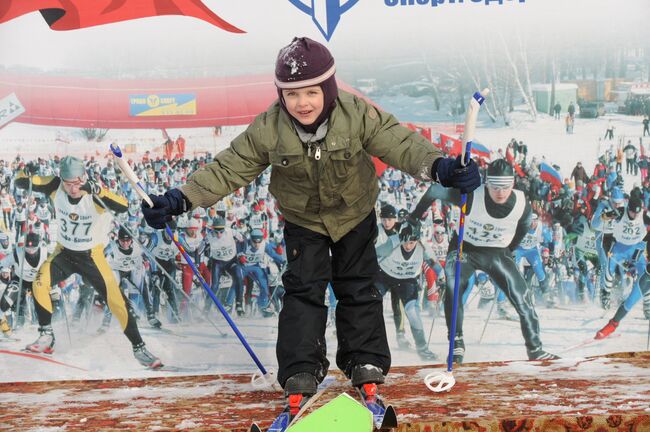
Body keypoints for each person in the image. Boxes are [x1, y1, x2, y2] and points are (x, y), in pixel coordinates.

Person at [141, 37, 480, 403]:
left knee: (359, 285)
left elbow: (399, 142)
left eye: (311, 93)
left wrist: (440, 167)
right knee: (303, 291)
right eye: (292, 95)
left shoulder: (356, 114)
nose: (302, 103)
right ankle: (301, 367)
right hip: (305, 221)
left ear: (329, 89)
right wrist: (180, 199)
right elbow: (229, 168)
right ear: (281, 96)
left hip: (354, 214)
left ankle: (364, 361)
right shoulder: (270, 127)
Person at [15, 156, 161, 368]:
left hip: (92, 257)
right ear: (61, 179)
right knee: (39, 282)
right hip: (64, 253)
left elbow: (124, 206)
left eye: (76, 183)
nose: (73, 188)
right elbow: (21, 182)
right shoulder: (55, 185)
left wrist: (99, 191)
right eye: (68, 183)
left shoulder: (94, 193)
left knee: (117, 301)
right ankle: (46, 336)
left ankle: (139, 348)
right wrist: (25, 172)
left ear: (83, 177)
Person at [410, 159, 558, 363]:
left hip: (497, 252)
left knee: (522, 296)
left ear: (513, 184)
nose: (500, 192)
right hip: (465, 249)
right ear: (486, 183)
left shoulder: (522, 203)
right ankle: (457, 343)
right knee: (454, 286)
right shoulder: (470, 194)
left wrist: (510, 249)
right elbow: (435, 191)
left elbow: (523, 228)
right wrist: (413, 217)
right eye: (495, 186)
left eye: (505, 187)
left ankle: (535, 349)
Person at [375, 220, 437, 360]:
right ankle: (369, 345)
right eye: (406, 241)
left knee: (412, 311)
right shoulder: (393, 241)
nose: (408, 246)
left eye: (412, 242)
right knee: (372, 303)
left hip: (407, 279)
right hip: (385, 275)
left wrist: (444, 275)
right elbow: (375, 255)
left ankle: (422, 348)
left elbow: (435, 265)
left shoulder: (423, 245)